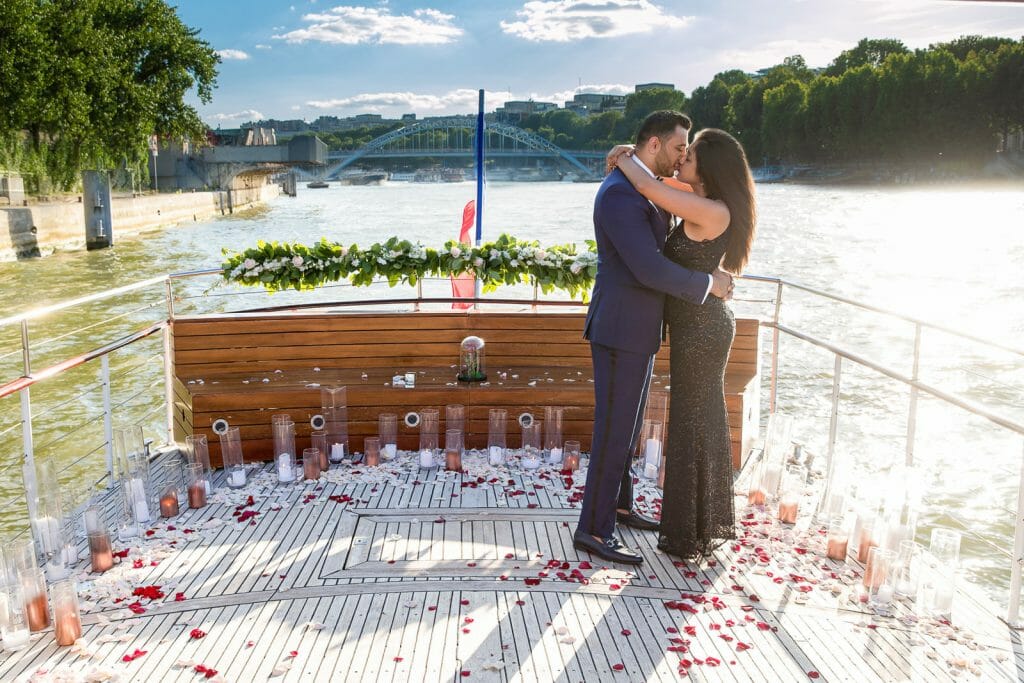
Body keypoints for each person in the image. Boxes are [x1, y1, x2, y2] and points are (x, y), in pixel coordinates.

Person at [574, 111, 733, 566]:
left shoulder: (640, 185)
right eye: (681, 146)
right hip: (621, 328)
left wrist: (625, 157)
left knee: (627, 428)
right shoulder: (621, 196)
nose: (685, 154)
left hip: (637, 329)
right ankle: (593, 529)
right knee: (613, 431)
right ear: (657, 144)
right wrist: (707, 286)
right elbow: (648, 267)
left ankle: (619, 507)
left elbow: (677, 200)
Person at [608, 127, 757, 560]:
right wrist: (632, 158)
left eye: (688, 154)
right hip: (697, 327)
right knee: (697, 420)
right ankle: (699, 523)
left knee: (694, 422)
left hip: (703, 331)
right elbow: (659, 184)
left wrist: (621, 156)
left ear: (707, 167)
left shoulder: (713, 211)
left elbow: (649, 185)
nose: (681, 160)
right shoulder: (703, 201)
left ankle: (692, 530)